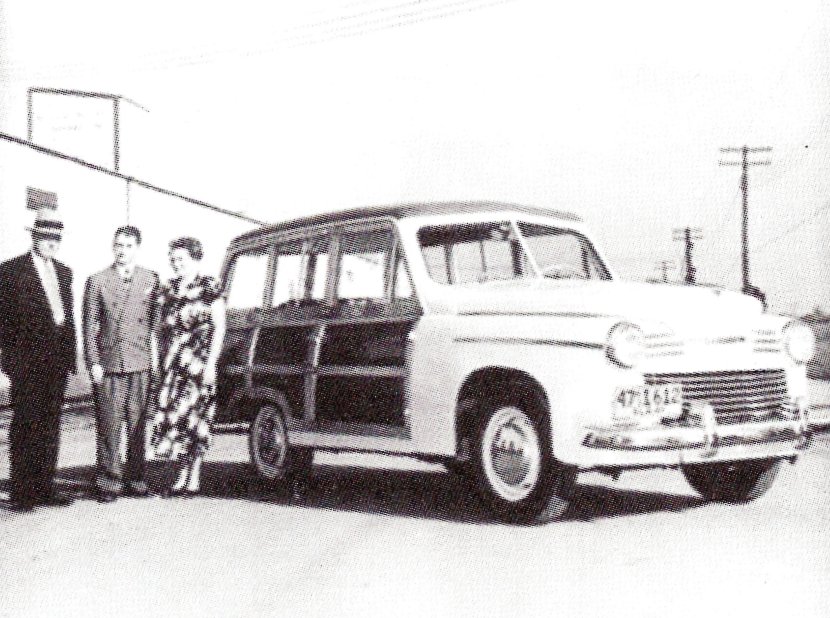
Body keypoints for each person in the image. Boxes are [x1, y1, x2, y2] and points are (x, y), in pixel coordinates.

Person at [0, 208, 76, 512]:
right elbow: (3, 322)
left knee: (50, 424)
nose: (52, 243)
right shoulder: (10, 271)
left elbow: (67, 318)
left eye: (57, 238)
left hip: (56, 364)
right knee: (26, 424)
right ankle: (22, 492)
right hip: (26, 365)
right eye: (45, 237)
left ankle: (45, 487)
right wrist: (7, 365)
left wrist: (70, 358)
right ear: (34, 237)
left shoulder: (64, 272)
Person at [83, 226, 159, 503]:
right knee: (109, 425)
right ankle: (108, 482)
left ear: (137, 248)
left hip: (140, 361)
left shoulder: (151, 279)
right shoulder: (97, 281)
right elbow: (89, 326)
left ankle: (136, 479)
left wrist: (155, 361)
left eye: (128, 246)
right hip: (110, 363)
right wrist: (93, 361)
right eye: (118, 245)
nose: (122, 251)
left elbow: (155, 325)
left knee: (138, 425)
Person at [150, 237, 226, 497]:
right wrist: (158, 361)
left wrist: (211, 364)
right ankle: (181, 474)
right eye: (172, 259)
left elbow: (219, 328)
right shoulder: (168, 290)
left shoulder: (209, 287)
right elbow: (157, 329)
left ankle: (194, 477)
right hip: (175, 364)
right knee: (177, 418)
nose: (176, 264)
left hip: (199, 362)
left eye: (181, 259)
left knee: (197, 417)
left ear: (195, 259)